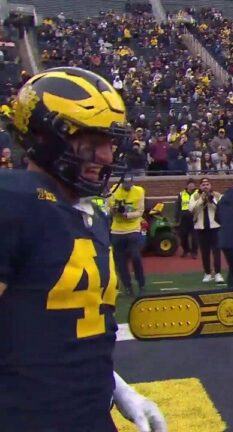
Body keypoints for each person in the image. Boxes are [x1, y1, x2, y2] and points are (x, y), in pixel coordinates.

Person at [0, 67, 166, 431]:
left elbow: (66, 331)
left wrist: (116, 388)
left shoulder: (90, 213)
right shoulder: (13, 202)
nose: (106, 156)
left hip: (89, 414)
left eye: (109, 142)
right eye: (91, 141)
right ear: (44, 136)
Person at [109, 172, 146, 295]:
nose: (128, 185)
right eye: (126, 183)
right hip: (117, 229)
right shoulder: (113, 190)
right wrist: (114, 210)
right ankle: (127, 286)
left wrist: (127, 215)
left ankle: (141, 283)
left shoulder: (139, 191)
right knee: (120, 261)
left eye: (130, 182)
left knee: (135, 256)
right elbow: (108, 208)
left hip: (133, 227)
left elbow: (140, 211)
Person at [189, 177, 224, 283]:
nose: (205, 186)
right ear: (200, 186)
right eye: (203, 185)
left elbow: (222, 207)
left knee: (216, 251)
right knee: (205, 252)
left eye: (207, 184)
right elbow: (191, 208)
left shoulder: (217, 195)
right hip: (201, 228)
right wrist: (201, 200)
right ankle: (207, 273)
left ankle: (218, 273)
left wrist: (211, 199)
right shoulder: (195, 196)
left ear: (211, 185)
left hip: (215, 227)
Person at [175, 178, 198, 258]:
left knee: (195, 237)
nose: (191, 185)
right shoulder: (181, 194)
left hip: (195, 218)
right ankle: (186, 250)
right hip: (184, 218)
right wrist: (177, 218)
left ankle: (194, 252)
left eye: (193, 184)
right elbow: (178, 206)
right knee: (183, 236)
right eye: (190, 184)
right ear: (187, 185)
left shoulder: (198, 193)